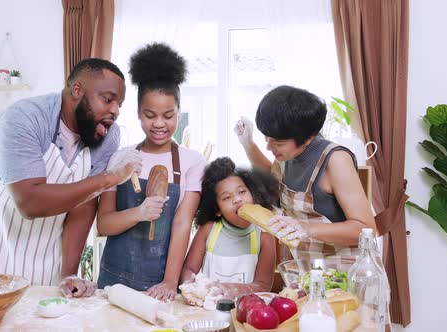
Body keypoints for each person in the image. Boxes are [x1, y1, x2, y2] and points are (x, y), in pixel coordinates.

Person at [0, 58, 142, 298]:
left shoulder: (106, 135)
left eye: (119, 104)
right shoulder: (24, 119)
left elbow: (84, 205)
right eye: (108, 99)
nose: (115, 111)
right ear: (77, 90)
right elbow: (30, 202)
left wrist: (68, 274)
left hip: (45, 267)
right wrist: (109, 179)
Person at [96, 43, 206, 301]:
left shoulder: (192, 162)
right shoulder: (121, 158)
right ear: (138, 114)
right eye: (150, 115)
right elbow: (104, 224)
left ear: (179, 113)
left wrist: (169, 282)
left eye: (168, 115)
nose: (159, 124)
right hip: (112, 282)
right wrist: (139, 212)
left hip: (159, 283)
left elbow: (181, 225)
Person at [234, 86, 376, 263]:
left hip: (348, 273)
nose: (269, 147)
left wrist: (306, 228)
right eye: (266, 138)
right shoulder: (287, 155)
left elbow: (365, 229)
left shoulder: (336, 160)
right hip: (311, 273)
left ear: (308, 138)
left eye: (278, 142)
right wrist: (248, 144)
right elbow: (272, 176)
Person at [180, 157, 278, 298]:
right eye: (226, 198)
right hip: (209, 309)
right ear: (217, 209)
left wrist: (231, 289)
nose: (237, 199)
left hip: (246, 312)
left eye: (242, 192)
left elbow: (263, 286)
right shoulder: (209, 230)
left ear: (253, 194)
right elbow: (189, 269)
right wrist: (192, 288)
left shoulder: (264, 235)